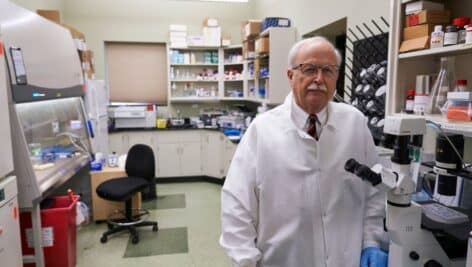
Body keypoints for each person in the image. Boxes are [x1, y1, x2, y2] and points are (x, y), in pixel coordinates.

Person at [219, 36, 388, 267]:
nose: (319, 79)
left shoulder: (355, 123)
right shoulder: (262, 130)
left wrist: (371, 241)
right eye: (309, 69)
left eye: (328, 70)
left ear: (336, 78)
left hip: (346, 259)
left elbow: (374, 191)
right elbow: (236, 206)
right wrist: (246, 262)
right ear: (291, 76)